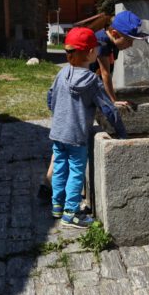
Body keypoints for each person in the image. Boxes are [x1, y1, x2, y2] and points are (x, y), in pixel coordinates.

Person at [37, 10, 147, 200]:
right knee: (72, 156)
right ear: (115, 34)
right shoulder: (102, 43)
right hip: (82, 97)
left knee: (61, 150)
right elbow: (104, 74)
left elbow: (52, 94)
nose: (131, 44)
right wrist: (112, 102)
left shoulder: (107, 43)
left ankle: (49, 189)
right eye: (129, 40)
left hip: (76, 96)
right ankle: (57, 192)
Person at [47, 27, 127, 228]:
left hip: (58, 132)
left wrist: (59, 114)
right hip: (77, 136)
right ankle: (71, 212)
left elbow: (50, 98)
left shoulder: (61, 73)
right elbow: (108, 109)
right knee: (76, 172)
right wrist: (122, 133)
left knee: (59, 167)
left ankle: (57, 204)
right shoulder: (92, 81)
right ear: (91, 52)